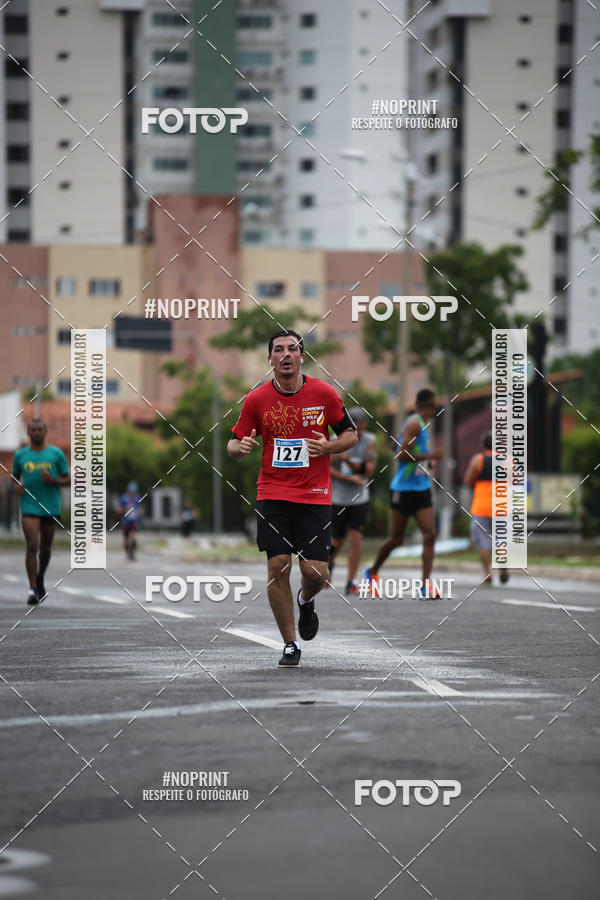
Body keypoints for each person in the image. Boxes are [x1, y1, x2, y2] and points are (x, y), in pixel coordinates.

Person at [227, 329, 358, 667]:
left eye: (293, 349)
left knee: (316, 572)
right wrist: (239, 449)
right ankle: (289, 644)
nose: (286, 355)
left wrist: (329, 446)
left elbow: (350, 433)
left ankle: (306, 599)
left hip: (314, 494)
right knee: (277, 565)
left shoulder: (324, 394)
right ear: (269, 358)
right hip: (273, 491)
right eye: (278, 350)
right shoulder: (256, 399)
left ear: (302, 357)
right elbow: (234, 441)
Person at [364, 388, 443, 600]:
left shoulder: (419, 424)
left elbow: (394, 445)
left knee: (430, 534)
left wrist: (428, 461)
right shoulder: (415, 423)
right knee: (396, 538)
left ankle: (425, 586)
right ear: (429, 405)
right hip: (403, 490)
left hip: (421, 488)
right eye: (434, 405)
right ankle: (372, 571)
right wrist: (430, 455)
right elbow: (401, 454)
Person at [11, 418, 70, 605]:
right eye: (33, 430)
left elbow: (68, 479)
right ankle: (32, 589)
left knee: (45, 549)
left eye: (39, 430)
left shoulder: (56, 454)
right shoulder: (20, 456)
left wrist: (53, 481)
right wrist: (16, 487)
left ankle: (40, 577)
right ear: (28, 433)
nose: (36, 433)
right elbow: (14, 478)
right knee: (32, 545)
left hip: (50, 506)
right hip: (29, 505)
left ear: (45, 432)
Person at [328, 408, 377, 594]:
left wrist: (348, 462)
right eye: (358, 428)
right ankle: (329, 565)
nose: (360, 433)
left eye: (363, 428)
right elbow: (325, 467)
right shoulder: (335, 438)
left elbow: (369, 470)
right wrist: (338, 457)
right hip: (338, 498)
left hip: (359, 499)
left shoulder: (369, 440)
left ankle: (351, 581)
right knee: (337, 541)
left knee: (356, 538)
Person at [463, 431, 510, 586]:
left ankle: (487, 574)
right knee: (501, 539)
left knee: (483, 542)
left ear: (484, 446)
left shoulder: (478, 460)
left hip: (481, 506)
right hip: (501, 506)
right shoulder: (507, 460)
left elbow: (467, 481)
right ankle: (503, 569)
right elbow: (515, 480)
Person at [118, 482, 142, 560]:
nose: (132, 494)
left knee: (133, 537)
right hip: (125, 521)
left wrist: (139, 514)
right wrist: (125, 508)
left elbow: (140, 509)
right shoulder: (124, 498)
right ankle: (127, 553)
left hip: (133, 521)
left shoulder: (136, 499)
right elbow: (119, 510)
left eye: (133, 492)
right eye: (131, 492)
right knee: (125, 539)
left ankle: (132, 552)